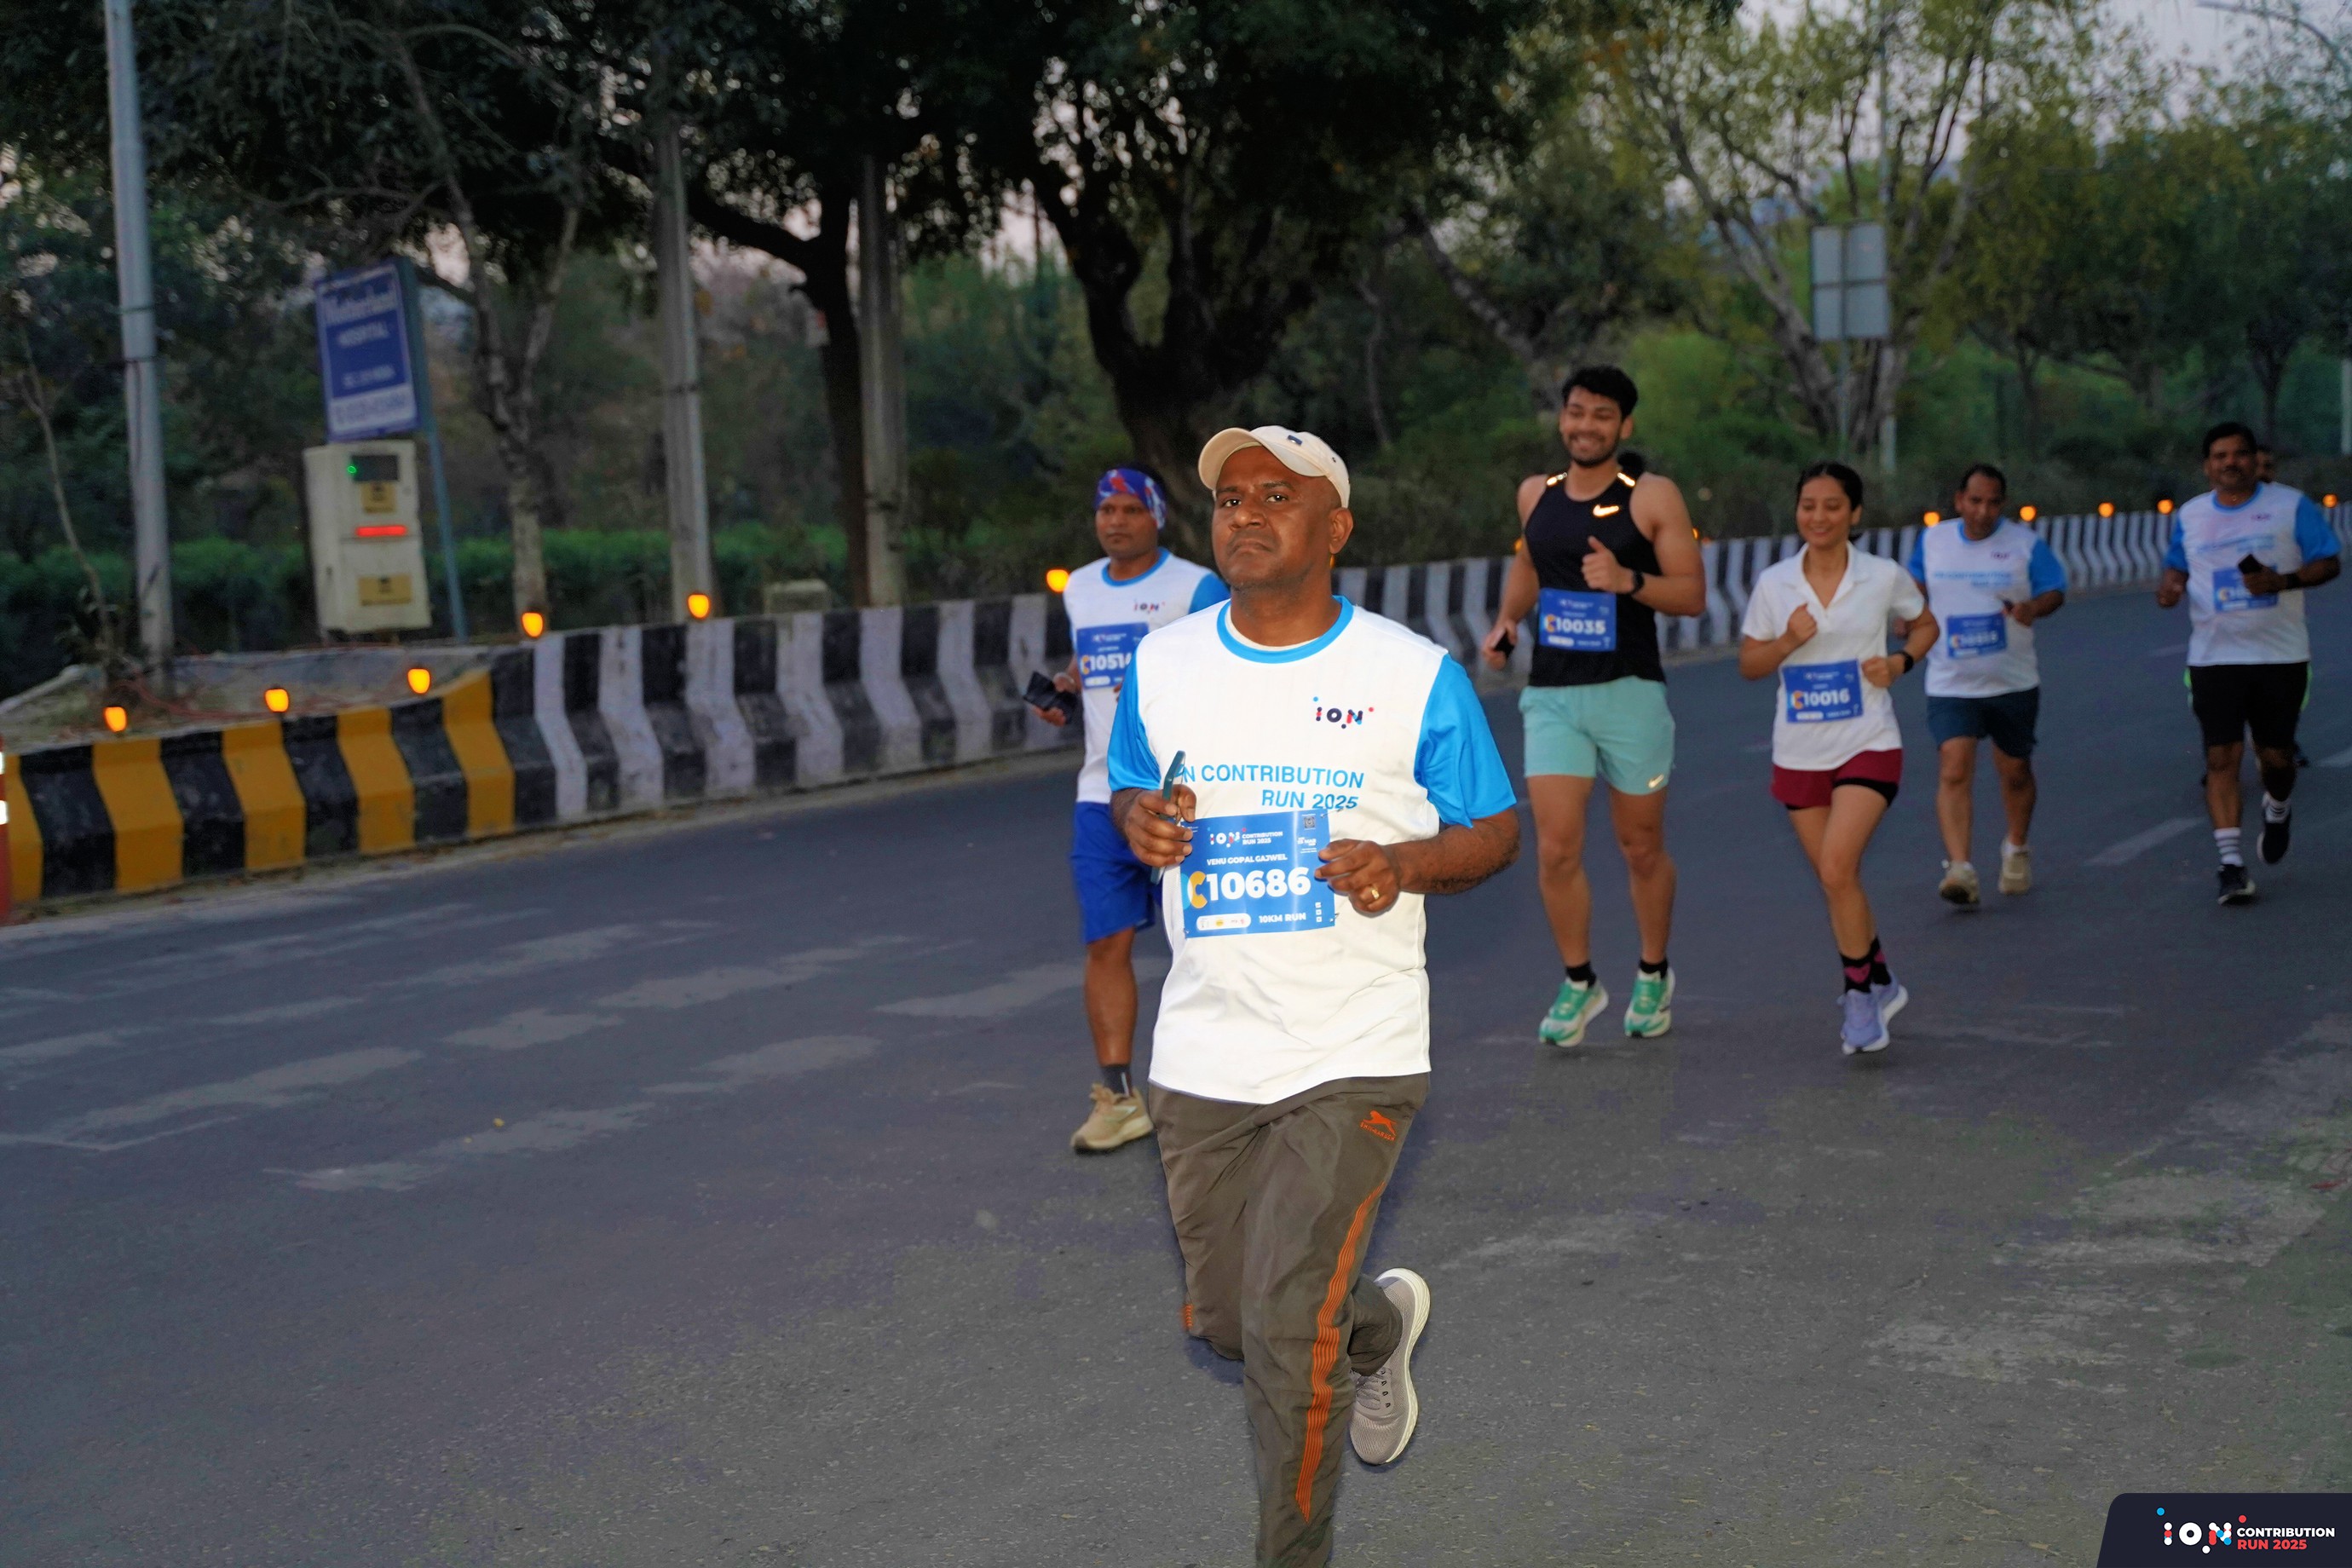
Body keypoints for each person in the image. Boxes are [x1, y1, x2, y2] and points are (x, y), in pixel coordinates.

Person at [1110, 424, 1519, 1567]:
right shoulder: (1165, 665)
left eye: (1275, 496)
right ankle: (1375, 1331)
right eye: (1230, 497)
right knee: (1230, 1324)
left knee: (1289, 1330)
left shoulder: (1410, 675)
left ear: (1334, 528)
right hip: (1205, 1047)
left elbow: (1492, 830)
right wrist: (1142, 823)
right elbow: (1135, 792)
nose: (1245, 513)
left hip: (1355, 1044)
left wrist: (1403, 864)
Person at [1481, 366, 1706, 1046]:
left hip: (1629, 689)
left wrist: (1627, 579)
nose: (1586, 426)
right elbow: (1529, 565)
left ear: (1624, 425)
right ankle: (1579, 980)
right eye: (1577, 413)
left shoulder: (1651, 496)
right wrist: (1507, 622)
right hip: (1552, 694)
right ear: (1563, 419)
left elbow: (1692, 594)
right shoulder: (1536, 493)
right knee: (1555, 848)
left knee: (1640, 846)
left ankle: (1653, 970)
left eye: (1602, 416)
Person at [1032, 468, 1229, 1151]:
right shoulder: (1081, 587)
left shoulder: (1196, 587)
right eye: (1105, 510)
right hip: (1101, 793)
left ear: (1156, 518)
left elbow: (1230, 668)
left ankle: (1228, 1089)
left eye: (1129, 510)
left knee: (1209, 941)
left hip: (1181, 792)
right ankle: (1119, 1098)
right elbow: (1091, 661)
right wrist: (1068, 685)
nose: (1115, 521)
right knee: (1105, 943)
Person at [1739, 461, 1938, 1056]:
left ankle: (1858, 997)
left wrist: (1900, 663)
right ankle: (1882, 978)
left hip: (1868, 739)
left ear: (1854, 513)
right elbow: (1750, 665)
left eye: (1832, 506)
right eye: (1808, 505)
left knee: (1835, 866)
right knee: (1838, 878)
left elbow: (1925, 625)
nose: (1819, 517)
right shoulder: (1775, 583)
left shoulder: (1882, 576)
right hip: (1800, 750)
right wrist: (1787, 641)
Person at [2156, 422, 2341, 904]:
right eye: (2220, 456)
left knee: (2276, 760)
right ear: (2207, 466)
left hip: (2279, 655)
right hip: (2214, 657)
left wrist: (2283, 581)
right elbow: (2177, 565)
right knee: (2221, 758)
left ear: (2254, 460)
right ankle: (2231, 865)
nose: (2230, 463)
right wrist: (2171, 586)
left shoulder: (2290, 506)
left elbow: (2329, 562)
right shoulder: (2192, 515)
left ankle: (2278, 806)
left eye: (2239, 454)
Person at [1905, 463, 2067, 905]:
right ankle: (1960, 868)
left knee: (2015, 772)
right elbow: (1914, 586)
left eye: (1993, 503)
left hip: (2012, 680)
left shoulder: (2024, 544)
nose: (1983, 511)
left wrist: (2034, 608)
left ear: (2003, 504)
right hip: (1951, 679)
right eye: (1975, 501)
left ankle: (2016, 847)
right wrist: (1908, 616)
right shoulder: (1934, 541)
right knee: (1953, 768)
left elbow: (2055, 589)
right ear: (1959, 501)